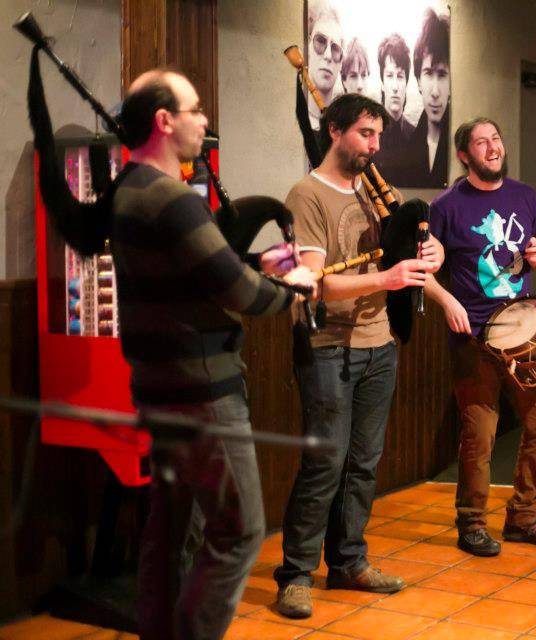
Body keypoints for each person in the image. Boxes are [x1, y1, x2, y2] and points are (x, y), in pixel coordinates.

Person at [112, 70, 318, 640]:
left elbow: (205, 273)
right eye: (195, 109)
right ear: (164, 121)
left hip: (159, 390)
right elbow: (237, 293)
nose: (204, 121)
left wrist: (256, 265)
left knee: (172, 530)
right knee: (240, 531)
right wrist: (293, 286)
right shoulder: (170, 197)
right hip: (202, 393)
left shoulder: (128, 189)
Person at [274, 94, 443, 618]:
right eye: (365, 134)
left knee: (363, 465)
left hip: (378, 344)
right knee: (325, 464)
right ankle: (296, 575)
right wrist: (388, 278)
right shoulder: (307, 195)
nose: (374, 145)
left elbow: (402, 253)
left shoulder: (374, 194)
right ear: (334, 131)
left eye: (378, 136)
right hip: (327, 348)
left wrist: (426, 253)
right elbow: (314, 286)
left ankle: (348, 562)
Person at [424, 117, 536, 557]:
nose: (492, 148)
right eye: (481, 143)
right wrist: (447, 302)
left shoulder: (525, 196)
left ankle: (524, 516)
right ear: (465, 155)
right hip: (474, 338)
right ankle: (471, 523)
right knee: (479, 435)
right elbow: (423, 271)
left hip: (521, 334)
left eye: (496, 139)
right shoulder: (446, 205)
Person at [407, 8, 450, 188]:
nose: (434, 91)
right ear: (418, 80)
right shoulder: (408, 145)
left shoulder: (461, 145)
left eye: (441, 75)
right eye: (428, 73)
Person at [374, 33, 415, 183]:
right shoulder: (372, 136)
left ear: (406, 82)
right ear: (382, 82)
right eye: (390, 76)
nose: (396, 87)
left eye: (400, 76)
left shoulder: (415, 136)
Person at [305, 2, 344, 125]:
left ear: (341, 63)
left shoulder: (343, 128)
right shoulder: (289, 117)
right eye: (320, 41)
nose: (328, 56)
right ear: (307, 48)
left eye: (335, 48)